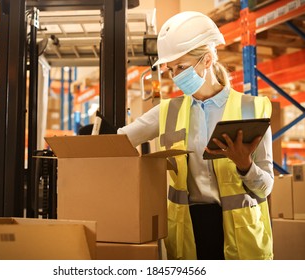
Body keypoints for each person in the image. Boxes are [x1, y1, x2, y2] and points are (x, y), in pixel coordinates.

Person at [117, 11, 274, 260]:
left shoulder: (250, 108)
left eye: (182, 67)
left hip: (241, 234)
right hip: (189, 232)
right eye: (171, 69)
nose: (176, 76)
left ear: (208, 60)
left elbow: (265, 188)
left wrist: (246, 165)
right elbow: (119, 142)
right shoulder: (167, 111)